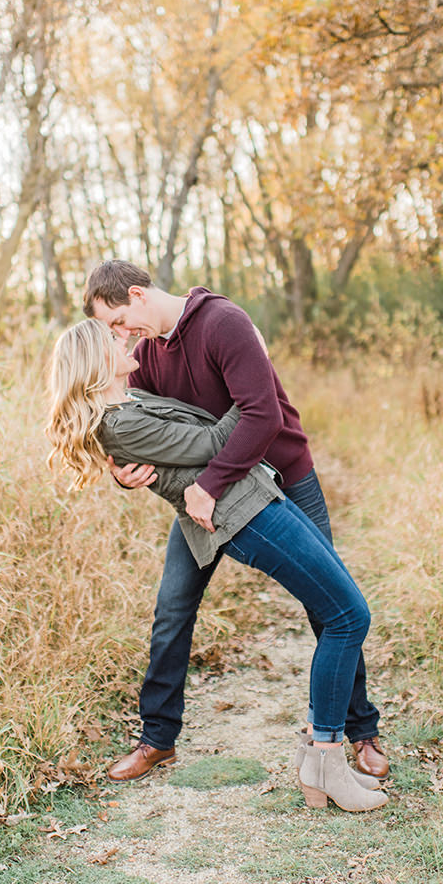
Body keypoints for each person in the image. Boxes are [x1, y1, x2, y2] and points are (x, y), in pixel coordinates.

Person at [46, 318, 388, 813]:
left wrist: (248, 372)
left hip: (255, 494)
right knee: (347, 615)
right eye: (114, 338)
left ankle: (334, 754)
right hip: (242, 514)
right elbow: (212, 441)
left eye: (121, 327)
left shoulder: (130, 400)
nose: (125, 338)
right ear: (96, 363)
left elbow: (197, 432)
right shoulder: (121, 420)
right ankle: (323, 762)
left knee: (340, 613)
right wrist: (256, 370)